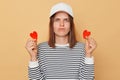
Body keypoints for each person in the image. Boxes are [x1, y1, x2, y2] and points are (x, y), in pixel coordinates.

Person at [25, 2, 97, 80]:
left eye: (66, 20)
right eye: (57, 20)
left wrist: (88, 55)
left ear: (71, 25)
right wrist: (33, 57)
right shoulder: (40, 49)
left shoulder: (83, 48)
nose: (61, 24)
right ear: (52, 24)